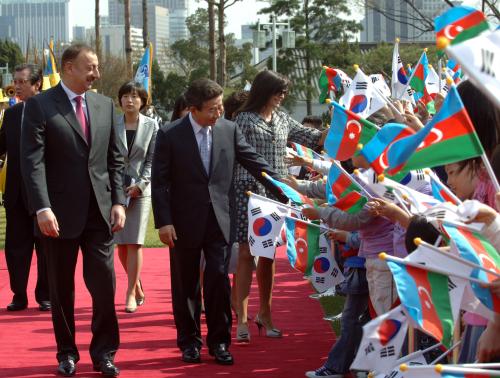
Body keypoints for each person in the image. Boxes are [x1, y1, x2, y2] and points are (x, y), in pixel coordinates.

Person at [151, 78, 285, 366]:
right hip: (183, 222)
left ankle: (220, 343)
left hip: (220, 219)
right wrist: (164, 221)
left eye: (220, 106)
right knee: (186, 285)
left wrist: (283, 189)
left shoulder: (229, 129)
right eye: (212, 109)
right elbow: (159, 182)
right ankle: (189, 343)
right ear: (193, 109)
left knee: (218, 281)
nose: (218, 113)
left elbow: (254, 161)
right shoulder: (170, 134)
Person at [21, 44, 126, 377]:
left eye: (96, 68)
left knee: (104, 285)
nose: (96, 74)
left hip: (100, 212)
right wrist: (42, 207)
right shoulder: (39, 106)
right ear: (68, 68)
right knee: (61, 288)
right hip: (57, 215)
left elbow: (115, 158)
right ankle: (66, 353)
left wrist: (119, 201)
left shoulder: (105, 105)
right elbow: (31, 162)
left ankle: (104, 353)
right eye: (90, 67)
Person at [233, 70, 326, 343]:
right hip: (247, 192)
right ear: (264, 91)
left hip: (276, 194)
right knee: (245, 253)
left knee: (268, 254)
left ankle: (265, 314)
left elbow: (312, 137)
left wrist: (342, 127)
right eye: (278, 91)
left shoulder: (284, 118)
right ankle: (241, 320)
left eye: (285, 92)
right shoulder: (243, 119)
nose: (282, 96)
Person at [0, 64, 50, 312]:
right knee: (16, 248)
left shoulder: (51, 111)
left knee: (45, 247)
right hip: (16, 194)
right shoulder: (11, 114)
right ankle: (19, 294)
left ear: (36, 84)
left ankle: (45, 295)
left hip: (44, 194)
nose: (16, 86)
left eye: (21, 81)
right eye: (15, 81)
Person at [114, 81, 158, 313]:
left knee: (135, 242)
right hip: (116, 191)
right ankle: (138, 284)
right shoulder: (112, 124)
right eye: (125, 96)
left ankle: (130, 292)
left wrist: (141, 184)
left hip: (141, 190)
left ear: (142, 101)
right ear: (119, 100)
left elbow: (153, 159)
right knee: (121, 245)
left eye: (134, 96)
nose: (129, 100)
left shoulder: (152, 126)